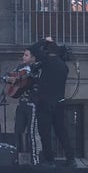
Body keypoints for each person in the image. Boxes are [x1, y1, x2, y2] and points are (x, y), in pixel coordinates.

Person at [31, 37, 76, 166]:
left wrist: (43, 40)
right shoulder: (63, 66)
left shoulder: (46, 61)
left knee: (45, 132)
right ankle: (71, 158)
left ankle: (50, 160)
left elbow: (33, 49)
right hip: (59, 103)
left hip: (45, 102)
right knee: (61, 131)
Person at [5, 48, 40, 166]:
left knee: (32, 132)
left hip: (32, 104)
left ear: (33, 58)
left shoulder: (37, 68)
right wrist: (10, 79)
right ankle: (18, 157)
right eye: (23, 55)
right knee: (18, 131)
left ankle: (35, 159)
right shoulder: (20, 68)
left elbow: (34, 79)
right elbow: (8, 75)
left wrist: (22, 79)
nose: (23, 57)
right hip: (22, 103)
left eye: (26, 55)